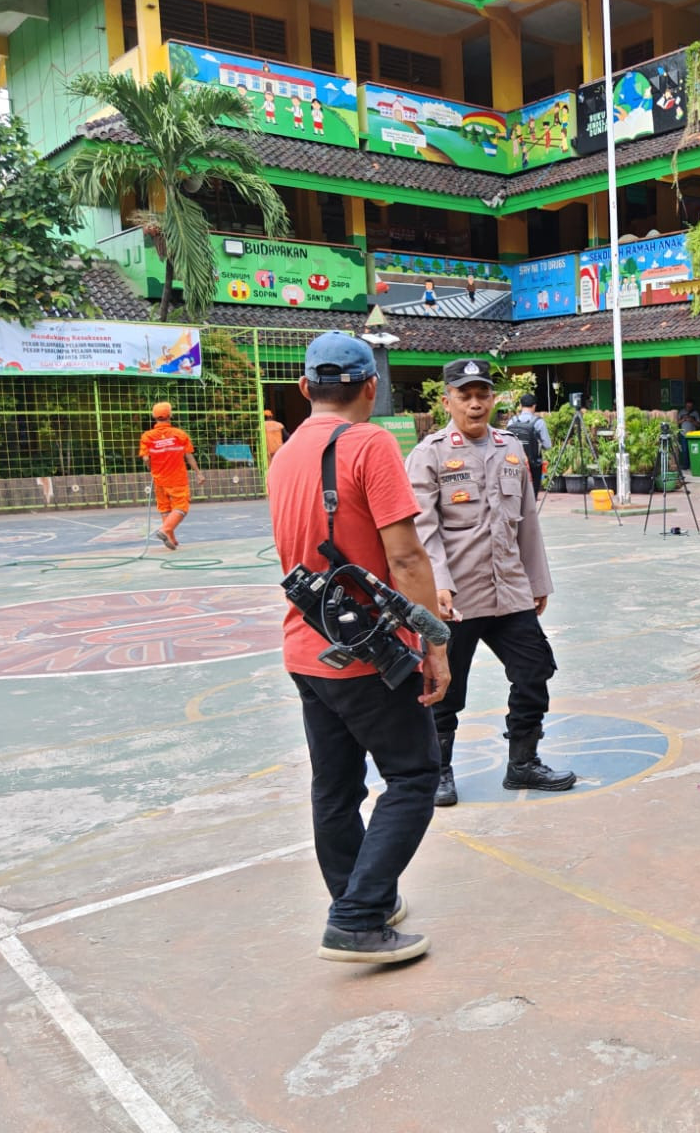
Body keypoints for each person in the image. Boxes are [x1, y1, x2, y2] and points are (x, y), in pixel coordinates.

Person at [267, 333, 449, 965]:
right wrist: (433, 642)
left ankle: (356, 895)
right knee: (415, 774)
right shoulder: (370, 443)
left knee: (335, 786)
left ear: (304, 389)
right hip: (370, 649)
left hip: (306, 646)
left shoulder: (286, 454)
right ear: (371, 386)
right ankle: (358, 916)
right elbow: (404, 553)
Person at [406, 360, 571, 808]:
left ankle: (523, 763)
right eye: (465, 395)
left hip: (510, 589)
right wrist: (436, 583)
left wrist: (537, 581)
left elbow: (528, 523)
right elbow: (424, 528)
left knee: (535, 670)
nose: (475, 403)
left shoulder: (512, 448)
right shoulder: (430, 454)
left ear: (494, 398)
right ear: (448, 401)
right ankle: (437, 771)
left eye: (483, 394)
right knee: (444, 685)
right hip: (455, 595)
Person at [140, 401, 202, 551]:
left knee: (164, 507)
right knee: (181, 507)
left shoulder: (147, 437)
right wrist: (198, 473)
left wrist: (152, 469)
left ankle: (171, 538)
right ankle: (164, 530)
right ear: (170, 415)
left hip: (159, 479)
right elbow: (189, 456)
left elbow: (146, 459)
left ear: (154, 417)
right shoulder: (179, 434)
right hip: (177, 478)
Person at [505, 392, 553, 488]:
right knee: (532, 492)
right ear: (534, 406)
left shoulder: (511, 422)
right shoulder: (539, 423)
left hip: (514, 463)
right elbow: (547, 445)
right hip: (533, 464)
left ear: (521, 405)